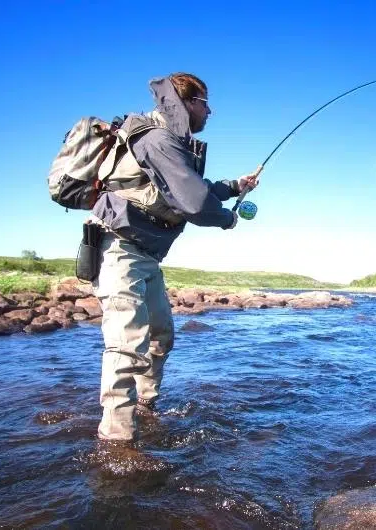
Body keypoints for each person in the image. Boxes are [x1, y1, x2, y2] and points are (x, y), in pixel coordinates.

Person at [87, 72, 258, 443]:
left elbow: (185, 188)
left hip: (146, 256)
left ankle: (145, 409)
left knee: (161, 335)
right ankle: (117, 442)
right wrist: (228, 218)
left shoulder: (170, 141)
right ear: (186, 102)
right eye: (204, 102)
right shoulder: (158, 138)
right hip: (119, 250)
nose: (209, 110)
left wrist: (233, 187)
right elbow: (195, 202)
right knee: (126, 345)